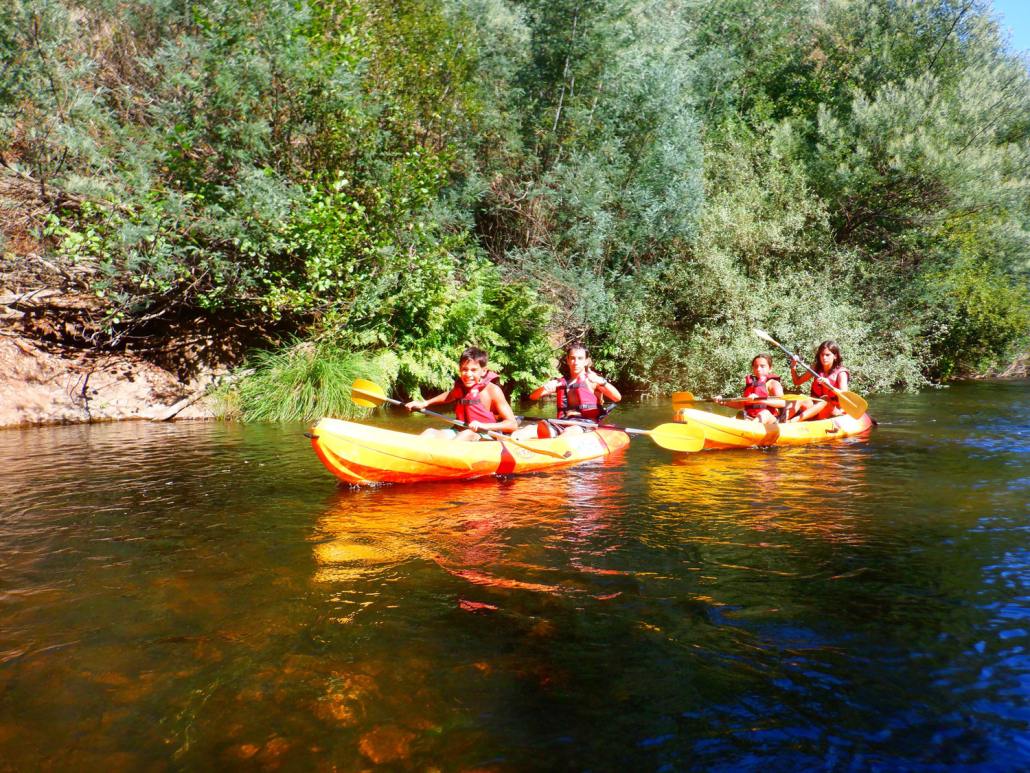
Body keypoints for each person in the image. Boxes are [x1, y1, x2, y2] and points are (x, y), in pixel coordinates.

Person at [404, 347, 518, 440]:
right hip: (459, 431)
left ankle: (445, 459)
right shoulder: (460, 387)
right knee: (430, 433)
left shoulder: (492, 390)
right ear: (460, 369)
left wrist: (484, 425)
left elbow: (512, 424)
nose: (468, 374)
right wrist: (425, 403)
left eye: (473, 370)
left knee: (466, 434)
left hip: (486, 434)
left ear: (483, 371)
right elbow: (449, 395)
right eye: (464, 369)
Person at [515, 344, 622, 438]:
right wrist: (544, 387)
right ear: (567, 360)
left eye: (580, 358)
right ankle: (548, 434)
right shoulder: (560, 382)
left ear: (586, 361)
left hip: (585, 424)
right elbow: (533, 397)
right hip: (562, 422)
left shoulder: (593, 380)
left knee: (570, 431)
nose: (576, 362)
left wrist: (603, 382)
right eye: (572, 358)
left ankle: (554, 439)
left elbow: (617, 398)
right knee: (527, 430)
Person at [786, 340, 850, 422]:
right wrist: (793, 367)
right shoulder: (815, 368)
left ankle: (793, 421)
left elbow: (845, 397)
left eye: (827, 355)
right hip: (815, 408)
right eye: (822, 354)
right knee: (801, 397)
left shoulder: (841, 373)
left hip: (833, 411)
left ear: (835, 356)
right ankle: (782, 421)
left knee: (825, 399)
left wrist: (829, 386)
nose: (824, 358)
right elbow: (797, 382)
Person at [715, 354, 785, 425]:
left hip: (770, 421)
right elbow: (741, 404)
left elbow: (782, 403)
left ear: (770, 368)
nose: (758, 369)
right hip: (752, 418)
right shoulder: (751, 385)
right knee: (732, 419)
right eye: (755, 366)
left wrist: (760, 400)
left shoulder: (773, 383)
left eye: (762, 366)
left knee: (764, 414)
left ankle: (749, 429)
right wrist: (723, 402)